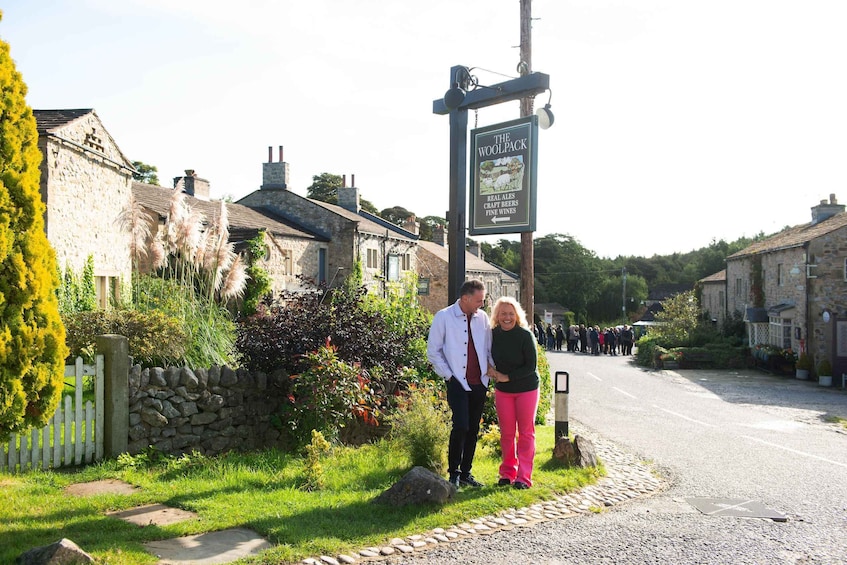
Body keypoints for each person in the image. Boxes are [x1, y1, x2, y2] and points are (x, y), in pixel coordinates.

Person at [426, 279, 491, 489]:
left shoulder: (483, 318)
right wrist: (448, 376)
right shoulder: (444, 317)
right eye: (479, 300)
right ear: (465, 298)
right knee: (461, 425)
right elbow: (433, 352)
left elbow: (488, 349)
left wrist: (489, 374)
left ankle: (466, 473)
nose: (482, 304)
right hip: (457, 382)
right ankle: (453, 473)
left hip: (479, 382)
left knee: (473, 429)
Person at [487, 297, 539, 490]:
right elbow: (485, 354)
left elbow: (531, 366)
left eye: (510, 314)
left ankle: (523, 477)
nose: (507, 317)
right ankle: (508, 473)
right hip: (504, 392)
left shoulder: (525, 335)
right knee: (507, 434)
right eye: (503, 314)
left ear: (517, 316)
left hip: (526, 389)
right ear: (497, 316)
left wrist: (506, 377)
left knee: (526, 433)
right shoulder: (493, 335)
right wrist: (490, 369)